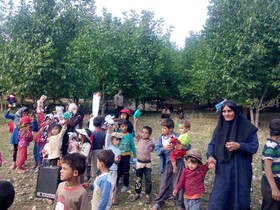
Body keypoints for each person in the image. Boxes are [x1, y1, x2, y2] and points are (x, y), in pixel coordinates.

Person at [206, 100, 258, 210]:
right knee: (219, 198)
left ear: (235, 111)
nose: (226, 114)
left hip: (241, 169)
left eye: (229, 111)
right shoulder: (220, 127)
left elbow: (254, 147)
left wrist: (239, 146)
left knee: (239, 199)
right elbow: (212, 144)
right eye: (224, 111)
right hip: (223, 169)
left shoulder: (247, 127)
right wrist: (210, 156)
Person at [152, 118, 188, 210]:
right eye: (162, 128)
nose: (162, 130)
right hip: (167, 163)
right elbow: (157, 150)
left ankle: (179, 203)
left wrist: (182, 146)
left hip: (178, 162)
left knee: (179, 182)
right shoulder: (161, 138)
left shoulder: (178, 136)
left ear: (171, 129)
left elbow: (188, 146)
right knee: (164, 182)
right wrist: (164, 148)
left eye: (164, 128)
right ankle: (160, 202)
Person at [130, 118, 155, 204]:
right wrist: (135, 122)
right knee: (138, 178)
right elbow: (135, 131)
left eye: (146, 133)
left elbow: (154, 147)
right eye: (143, 132)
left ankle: (147, 194)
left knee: (148, 179)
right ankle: (137, 192)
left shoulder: (151, 141)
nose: (144, 134)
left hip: (147, 163)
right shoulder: (139, 139)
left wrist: (151, 150)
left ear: (149, 134)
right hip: (139, 163)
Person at [261, 118, 280, 209]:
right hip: (271, 182)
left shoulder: (277, 145)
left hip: (277, 181)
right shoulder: (271, 146)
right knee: (271, 206)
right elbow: (267, 167)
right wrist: (274, 188)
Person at [4, 105, 29, 169]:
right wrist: (9, 109)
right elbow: (6, 116)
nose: (25, 114)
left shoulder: (26, 118)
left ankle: (22, 162)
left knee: (23, 149)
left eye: (26, 113)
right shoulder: (15, 116)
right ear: (21, 112)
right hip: (16, 133)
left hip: (23, 135)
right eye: (24, 113)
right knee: (15, 149)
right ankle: (14, 163)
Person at [117, 119, 136, 193]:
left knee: (126, 170)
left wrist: (134, 153)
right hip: (119, 156)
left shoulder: (130, 135)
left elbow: (132, 145)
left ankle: (126, 185)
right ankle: (117, 182)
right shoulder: (118, 135)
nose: (124, 127)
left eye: (125, 126)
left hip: (127, 156)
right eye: (122, 126)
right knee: (119, 170)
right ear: (119, 128)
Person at [106, 132, 122, 205]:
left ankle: (112, 200)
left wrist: (116, 161)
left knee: (113, 185)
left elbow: (118, 161)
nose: (118, 141)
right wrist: (109, 129)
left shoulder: (119, 150)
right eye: (116, 140)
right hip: (107, 169)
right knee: (106, 184)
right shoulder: (108, 147)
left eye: (119, 140)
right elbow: (107, 138)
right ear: (112, 140)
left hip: (114, 169)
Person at [90, 116, 106, 182]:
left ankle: (94, 180)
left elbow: (91, 143)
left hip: (94, 151)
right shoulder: (104, 133)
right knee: (100, 165)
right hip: (101, 150)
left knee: (94, 167)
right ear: (101, 124)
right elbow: (104, 143)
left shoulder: (92, 133)